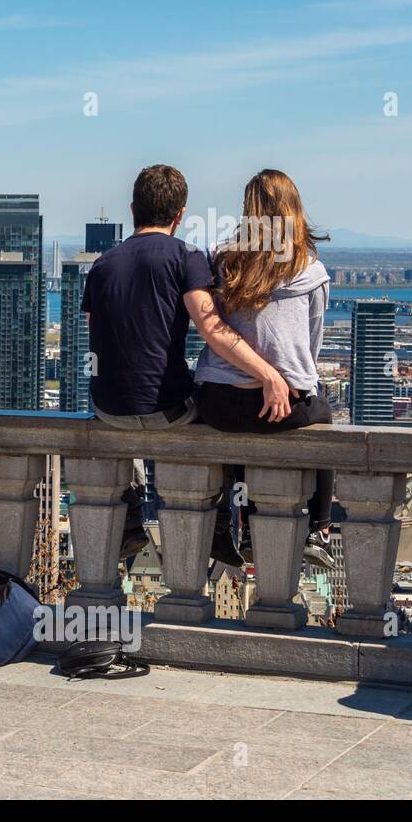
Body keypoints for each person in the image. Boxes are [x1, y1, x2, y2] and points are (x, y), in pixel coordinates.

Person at [83, 164, 295, 561]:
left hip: (107, 409)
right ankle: (220, 522)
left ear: (133, 209)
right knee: (224, 406)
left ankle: (130, 521)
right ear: (180, 214)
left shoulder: (101, 266)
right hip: (168, 409)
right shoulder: (186, 257)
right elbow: (212, 328)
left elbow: (97, 334)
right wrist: (268, 374)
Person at [195, 169, 335, 569]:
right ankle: (319, 527)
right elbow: (310, 350)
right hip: (282, 407)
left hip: (217, 402)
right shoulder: (311, 272)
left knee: (239, 418)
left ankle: (225, 523)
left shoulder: (222, 262)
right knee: (322, 414)